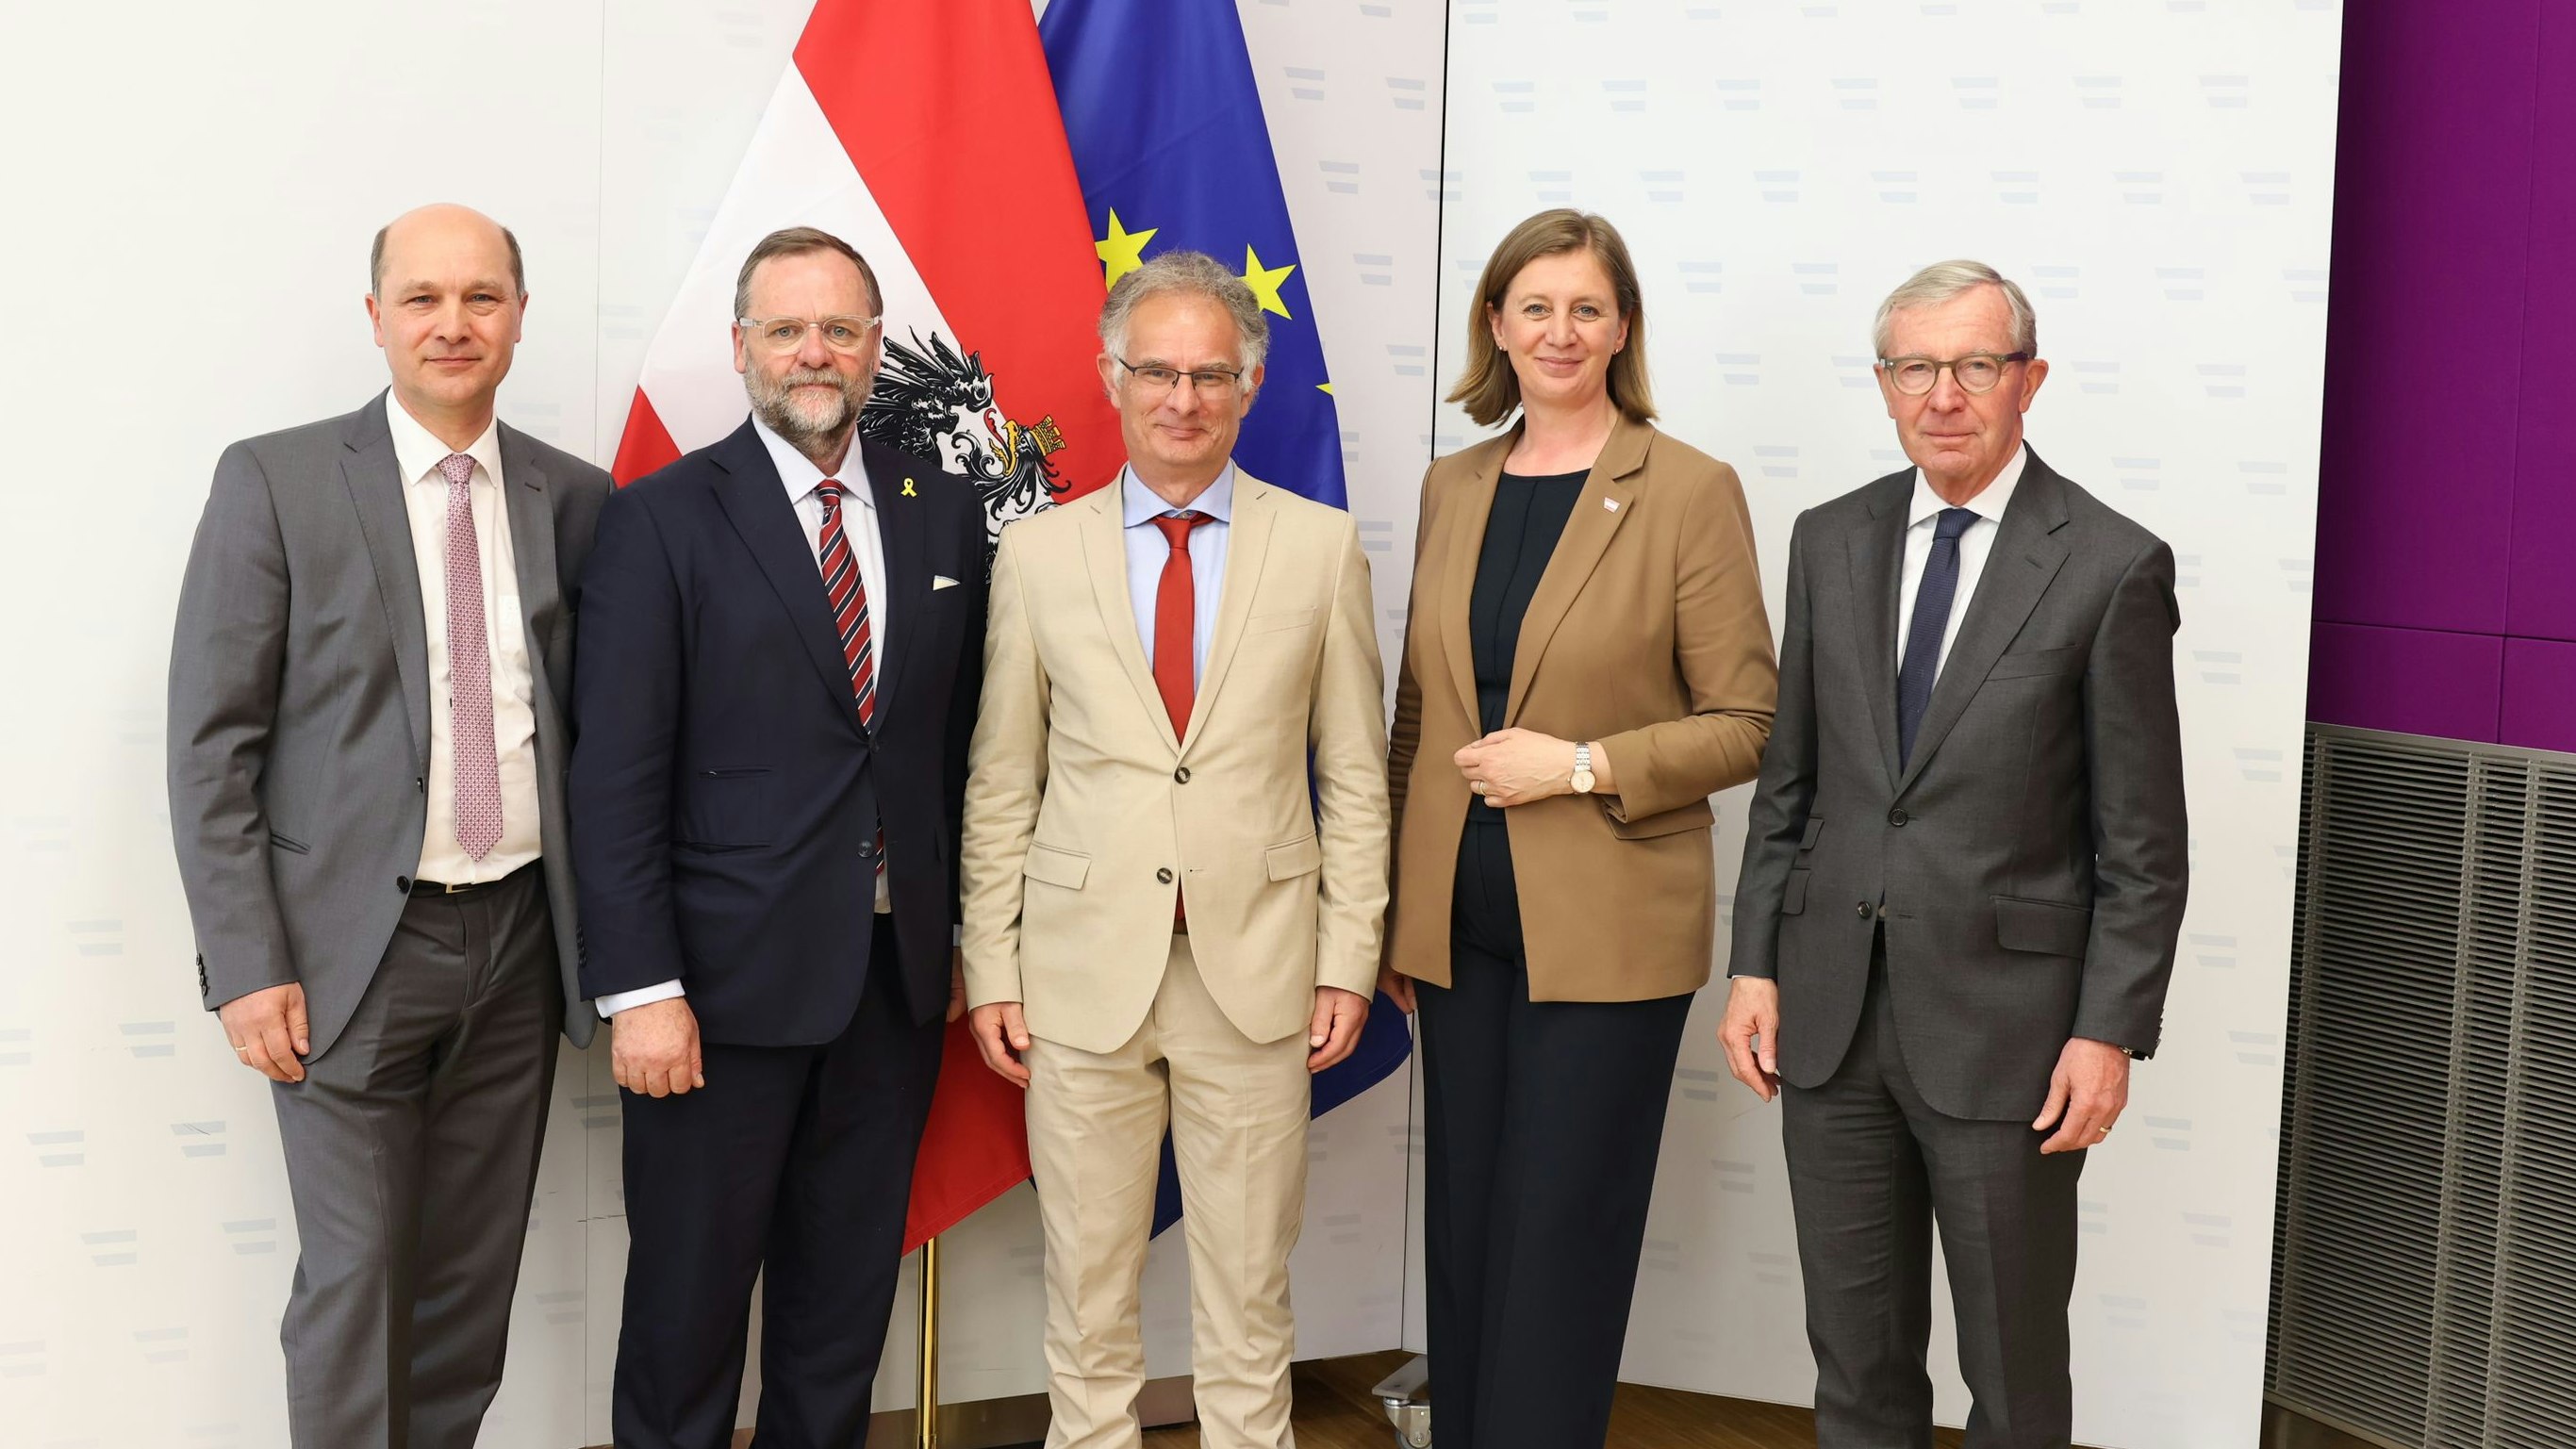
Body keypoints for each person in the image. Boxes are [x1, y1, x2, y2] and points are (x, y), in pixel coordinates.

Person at [1722, 260, 2188, 1448]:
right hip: (1828, 1020)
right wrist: (1754, 964)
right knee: (1854, 1369)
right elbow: (1790, 782)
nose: (1942, 395)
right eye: (1914, 367)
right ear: (1883, 382)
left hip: (2009, 1039)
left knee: (2011, 1377)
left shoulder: (2109, 563)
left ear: (2028, 379)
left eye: (1974, 365)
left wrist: (2106, 1030)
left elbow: (2141, 844)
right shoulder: (1828, 538)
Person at [166, 204, 609, 1449]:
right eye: (422, 297)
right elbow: (212, 744)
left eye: (480, 297)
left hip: (521, 944)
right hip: (346, 956)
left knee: (467, 1285)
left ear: (518, 317)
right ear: (376, 318)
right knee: (356, 1280)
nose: (451, 324)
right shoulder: (276, 481)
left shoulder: (577, 499)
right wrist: (246, 962)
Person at [958, 250, 1389, 1449]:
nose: (1181, 399)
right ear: (1112, 378)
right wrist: (990, 965)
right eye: (1156, 371)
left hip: (1257, 974)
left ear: (1249, 386)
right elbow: (1002, 777)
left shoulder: (1319, 547)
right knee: (1085, 1294)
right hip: (1078, 976)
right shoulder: (1038, 553)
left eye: (1209, 375)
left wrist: (1347, 958)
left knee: (1248, 1300)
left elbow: (1356, 776)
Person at [570, 225, 989, 1449]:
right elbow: (615, 779)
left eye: (840, 329)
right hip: (715, 998)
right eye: (788, 329)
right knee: (687, 1316)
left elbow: (955, 745)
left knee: (838, 1318)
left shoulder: (941, 509)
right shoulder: (658, 519)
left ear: (875, 348)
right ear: (742, 345)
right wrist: (642, 990)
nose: (815, 352)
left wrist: (960, 936)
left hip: (892, 988)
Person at [1377, 208, 1777, 1448]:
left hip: (1607, 936)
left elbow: (1749, 721)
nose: (1560, 330)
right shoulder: (1452, 485)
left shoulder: (1688, 489)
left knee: (1559, 1240)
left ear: (1622, 329)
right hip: (1455, 930)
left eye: (1586, 307)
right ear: (1495, 325)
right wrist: (1394, 913)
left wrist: (1582, 765)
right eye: (1535, 306)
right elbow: (1419, 709)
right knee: (1466, 1233)